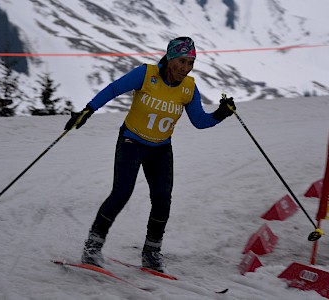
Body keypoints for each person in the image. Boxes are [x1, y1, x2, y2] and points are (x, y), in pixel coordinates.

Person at [64, 36, 236, 273]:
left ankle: (152, 252)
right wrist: (88, 110)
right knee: (122, 192)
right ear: (170, 58)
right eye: (182, 61)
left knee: (162, 199)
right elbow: (114, 89)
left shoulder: (189, 88)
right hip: (131, 141)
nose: (185, 68)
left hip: (161, 149)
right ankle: (92, 247)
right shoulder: (147, 74)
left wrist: (221, 113)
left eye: (190, 63)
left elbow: (199, 121)